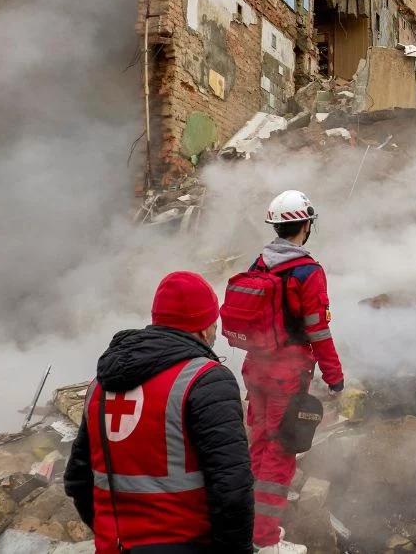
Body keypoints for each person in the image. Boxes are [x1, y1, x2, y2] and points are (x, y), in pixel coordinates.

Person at [64, 271, 253, 554]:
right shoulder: (207, 379)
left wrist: (111, 535)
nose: (215, 332)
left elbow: (78, 481)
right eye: (214, 324)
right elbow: (232, 490)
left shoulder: (99, 386)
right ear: (202, 328)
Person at [225, 190, 345, 553]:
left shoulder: (260, 262)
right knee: (280, 454)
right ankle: (263, 539)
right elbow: (318, 331)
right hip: (286, 376)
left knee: (258, 443)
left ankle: (243, 527)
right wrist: (334, 376)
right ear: (305, 225)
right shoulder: (308, 271)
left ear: (277, 227)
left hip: (254, 369)